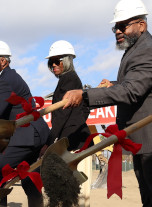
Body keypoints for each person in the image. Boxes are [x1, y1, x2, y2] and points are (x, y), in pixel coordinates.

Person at [62, 0, 152, 206]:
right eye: (115, 27)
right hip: (141, 142)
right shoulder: (136, 49)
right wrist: (114, 84)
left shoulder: (146, 50)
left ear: (142, 25)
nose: (118, 31)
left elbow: (132, 91)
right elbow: (137, 83)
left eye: (123, 25)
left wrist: (85, 95)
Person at [0, 40, 50, 206]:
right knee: (29, 180)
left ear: (3, 61)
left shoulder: (5, 80)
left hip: (27, 135)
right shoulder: (9, 77)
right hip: (34, 134)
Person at [39, 40, 90, 157]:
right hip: (75, 138)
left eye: (57, 61)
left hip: (72, 141)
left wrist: (49, 143)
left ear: (67, 61)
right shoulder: (70, 79)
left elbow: (62, 114)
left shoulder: (69, 79)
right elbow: (85, 108)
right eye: (51, 62)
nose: (53, 65)